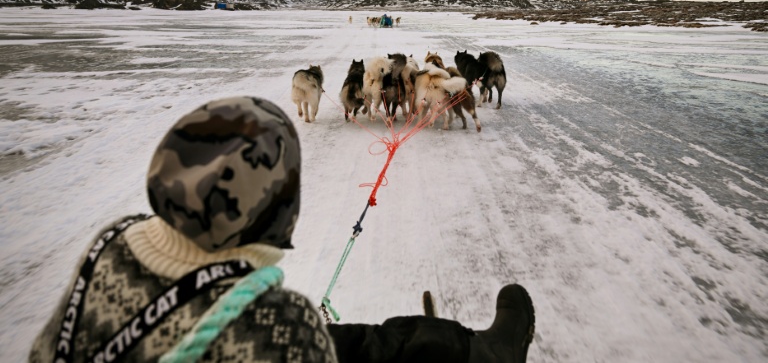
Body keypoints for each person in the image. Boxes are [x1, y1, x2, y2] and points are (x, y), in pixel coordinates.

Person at [29, 96, 534, 363]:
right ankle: (482, 355)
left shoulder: (111, 243)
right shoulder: (280, 328)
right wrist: (283, 327)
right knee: (377, 348)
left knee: (357, 344)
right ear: (277, 210)